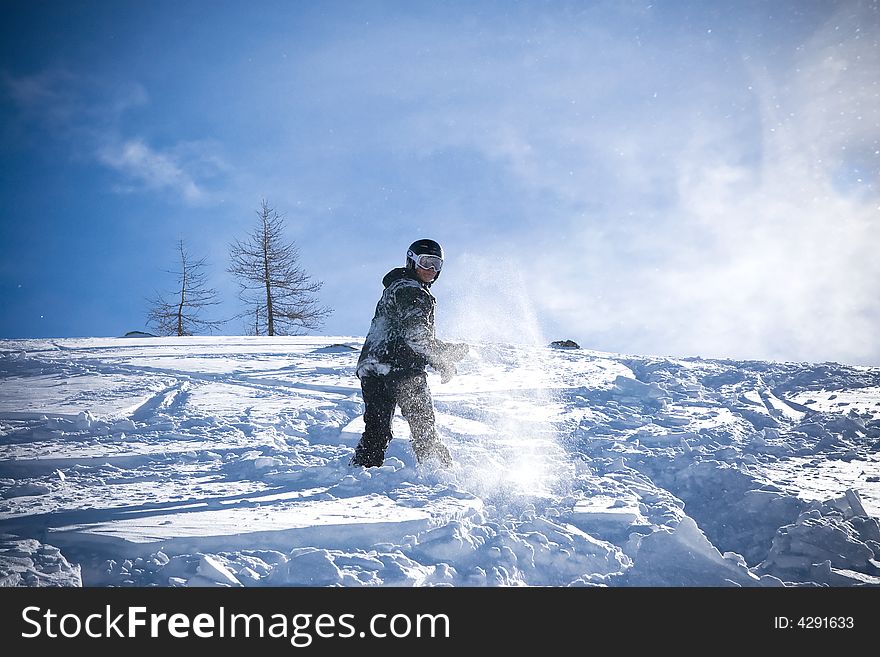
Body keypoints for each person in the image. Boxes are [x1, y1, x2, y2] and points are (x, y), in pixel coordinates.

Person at [351, 238, 469, 468]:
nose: (431, 270)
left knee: (377, 430)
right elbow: (416, 336)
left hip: (373, 367)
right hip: (402, 368)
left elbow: (407, 331)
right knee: (424, 428)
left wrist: (444, 350)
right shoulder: (412, 290)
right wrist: (442, 360)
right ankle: (441, 476)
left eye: (437, 264)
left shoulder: (396, 287)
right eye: (426, 262)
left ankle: (361, 475)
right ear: (411, 261)